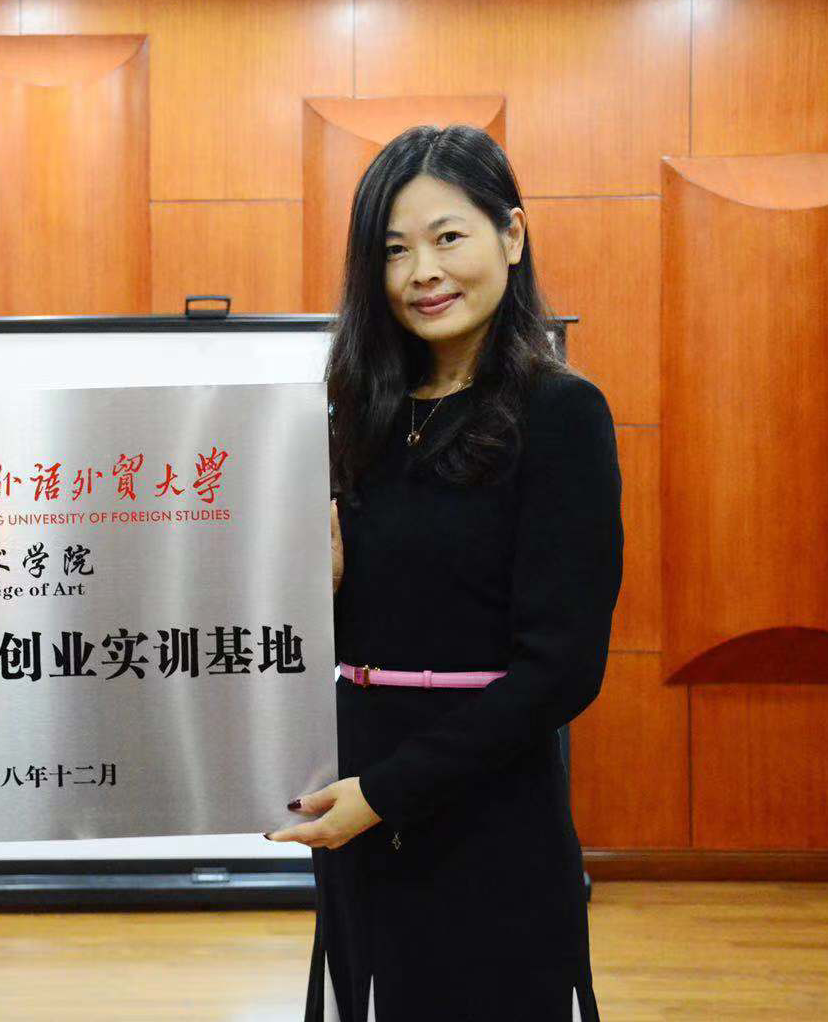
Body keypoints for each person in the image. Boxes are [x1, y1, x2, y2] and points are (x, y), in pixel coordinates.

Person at [265, 125, 623, 1022]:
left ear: (512, 235)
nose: (421, 272)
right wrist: (317, 589)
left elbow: (562, 670)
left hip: (486, 808)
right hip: (353, 796)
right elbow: (364, 627)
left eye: (447, 237)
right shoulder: (359, 412)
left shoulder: (561, 412)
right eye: (393, 250)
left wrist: (386, 794)